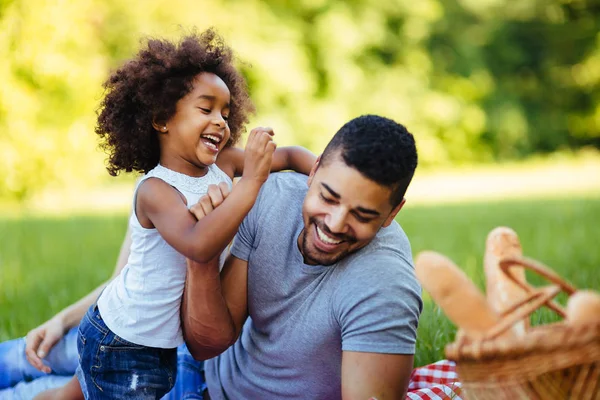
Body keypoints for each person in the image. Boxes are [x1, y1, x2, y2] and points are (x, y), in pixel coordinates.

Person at [41, 28, 315, 399]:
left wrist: (321, 172)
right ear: (161, 119)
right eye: (206, 109)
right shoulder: (156, 191)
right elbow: (197, 246)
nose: (221, 121)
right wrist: (250, 183)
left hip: (161, 342)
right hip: (123, 340)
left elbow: (289, 155)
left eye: (226, 112)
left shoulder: (224, 165)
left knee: (70, 394)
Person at [181, 114, 423, 399]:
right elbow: (207, 345)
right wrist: (202, 253)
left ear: (392, 213)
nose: (334, 224)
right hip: (202, 371)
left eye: (361, 215)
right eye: (328, 198)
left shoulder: (386, 287)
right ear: (314, 170)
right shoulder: (272, 198)